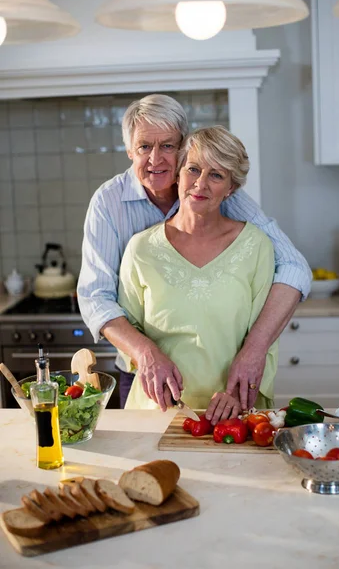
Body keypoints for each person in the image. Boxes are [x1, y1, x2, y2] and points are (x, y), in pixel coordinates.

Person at [77, 94, 312, 419]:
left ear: (182, 147)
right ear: (130, 150)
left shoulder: (224, 200)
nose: (155, 159)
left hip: (228, 391)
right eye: (144, 146)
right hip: (145, 373)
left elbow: (295, 267)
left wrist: (255, 351)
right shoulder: (110, 206)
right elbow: (95, 298)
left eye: (168, 146)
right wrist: (145, 353)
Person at [119, 126, 278, 419]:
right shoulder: (141, 249)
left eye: (216, 175)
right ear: (178, 173)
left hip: (235, 412)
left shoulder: (256, 246)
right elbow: (128, 333)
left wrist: (237, 395)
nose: (200, 184)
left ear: (231, 188)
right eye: (193, 169)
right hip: (158, 412)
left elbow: (264, 338)